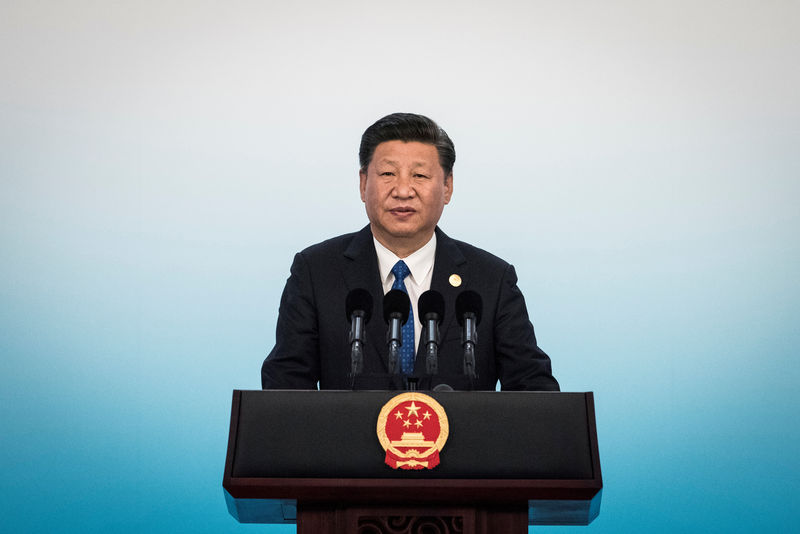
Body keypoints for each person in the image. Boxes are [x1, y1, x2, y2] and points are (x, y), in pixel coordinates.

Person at [261, 113, 559, 391]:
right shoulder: (316, 271)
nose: (403, 190)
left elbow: (534, 389)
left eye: (420, 176)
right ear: (363, 184)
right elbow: (284, 386)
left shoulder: (490, 279)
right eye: (388, 173)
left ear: (447, 187)